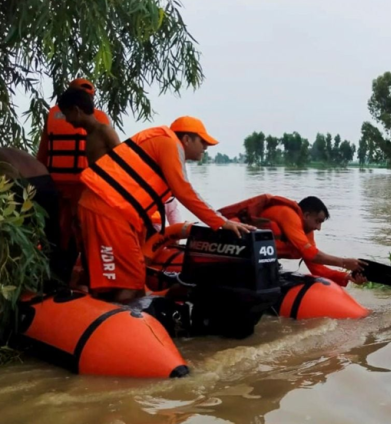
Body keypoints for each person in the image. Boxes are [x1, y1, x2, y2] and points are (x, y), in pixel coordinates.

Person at [56, 92, 256, 303]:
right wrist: (221, 222)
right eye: (203, 141)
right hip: (106, 210)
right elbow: (184, 191)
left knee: (120, 283)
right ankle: (122, 319)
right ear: (186, 139)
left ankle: (109, 310)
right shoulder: (169, 143)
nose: (206, 147)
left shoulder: (164, 146)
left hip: (109, 210)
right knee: (131, 286)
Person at [35, 79, 112, 272]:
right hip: (83, 185)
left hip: (56, 183)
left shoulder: (52, 115)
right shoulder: (100, 119)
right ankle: (85, 271)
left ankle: (59, 270)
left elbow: (42, 154)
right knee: (83, 230)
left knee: (58, 230)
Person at [220, 195, 367, 287]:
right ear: (306, 215)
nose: (318, 228)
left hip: (259, 262)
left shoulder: (306, 233)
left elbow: (317, 268)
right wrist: (343, 262)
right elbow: (310, 253)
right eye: (318, 221)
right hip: (235, 254)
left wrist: (347, 276)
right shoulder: (288, 214)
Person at [0, 147, 66, 285]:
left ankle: (18, 280)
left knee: (14, 240)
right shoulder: (10, 151)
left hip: (19, 184)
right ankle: (58, 280)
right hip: (45, 181)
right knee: (51, 237)